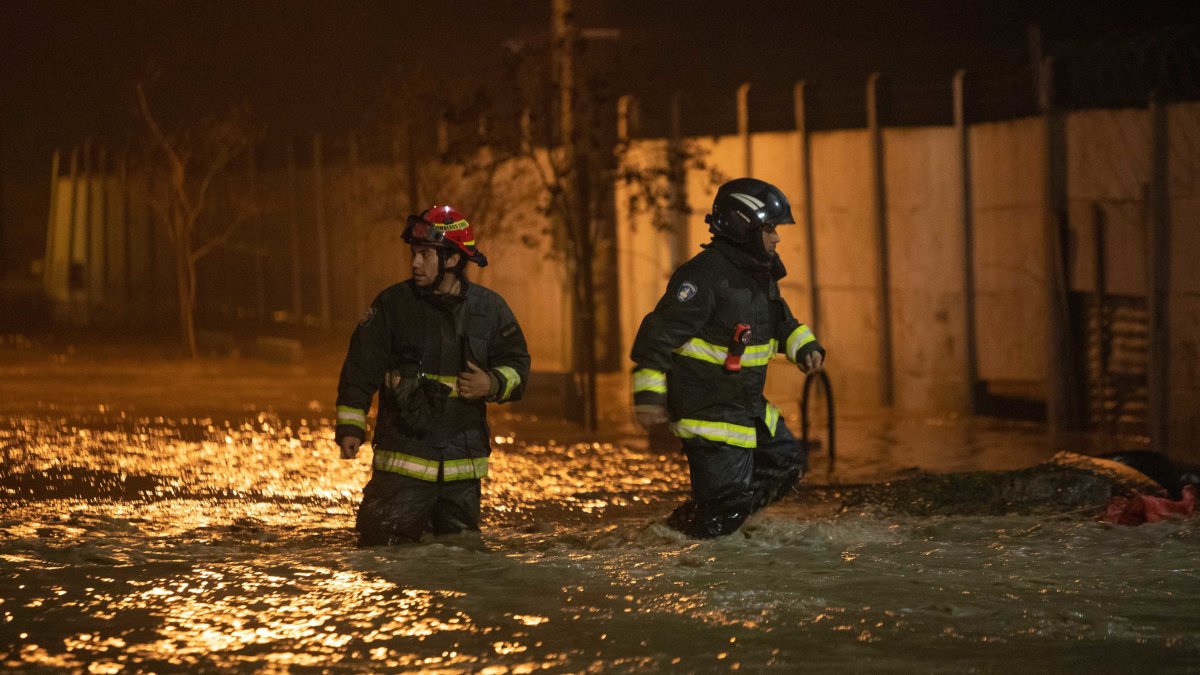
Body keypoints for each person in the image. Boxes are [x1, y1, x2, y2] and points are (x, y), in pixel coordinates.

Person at [630, 177, 826, 538]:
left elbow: (780, 321)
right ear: (743, 226)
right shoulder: (702, 277)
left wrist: (806, 347)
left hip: (747, 407)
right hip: (709, 413)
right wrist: (648, 400)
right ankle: (681, 544)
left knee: (787, 465)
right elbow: (656, 340)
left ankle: (679, 531)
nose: (777, 237)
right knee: (724, 512)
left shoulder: (758, 274)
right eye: (769, 228)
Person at [334, 204, 530, 545]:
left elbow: (519, 368)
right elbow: (360, 368)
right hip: (401, 472)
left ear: (452, 260)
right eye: (415, 253)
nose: (415, 263)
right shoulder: (393, 306)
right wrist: (351, 425)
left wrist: (492, 383)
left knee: (460, 561)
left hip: (461, 475)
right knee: (381, 555)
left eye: (425, 254)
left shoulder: (490, 310)